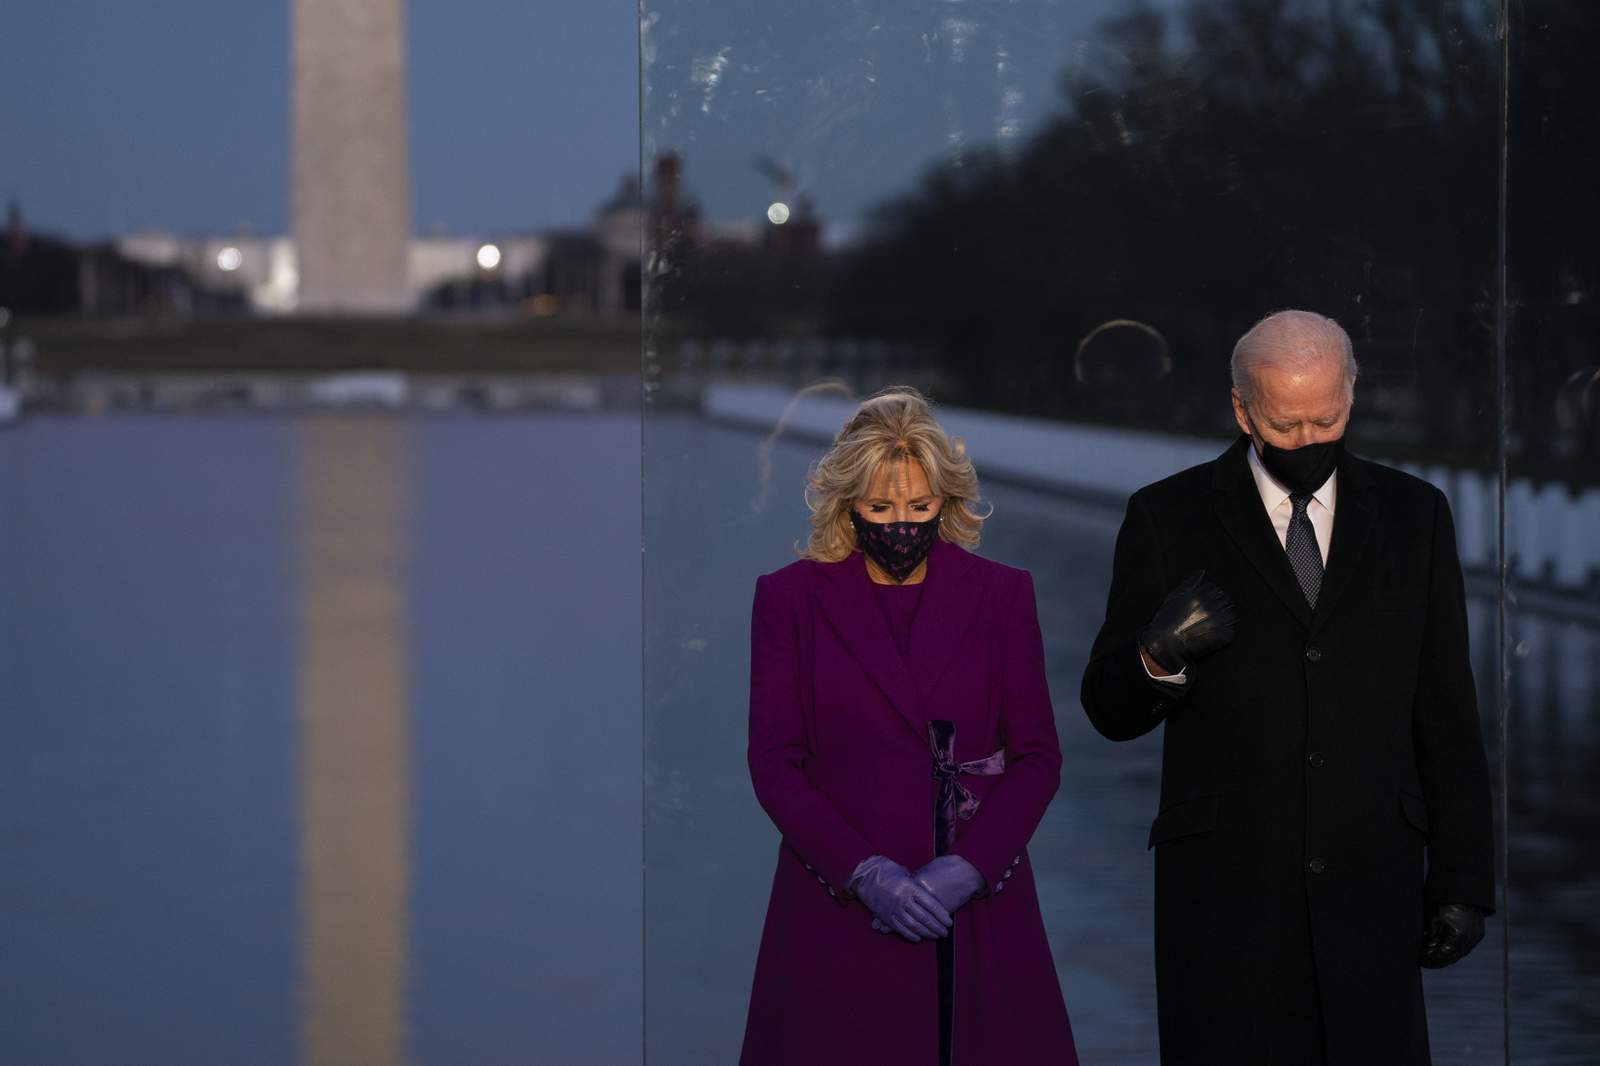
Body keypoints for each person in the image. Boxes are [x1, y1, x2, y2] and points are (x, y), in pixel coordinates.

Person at [1080, 310, 1496, 1065]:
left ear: (1352, 394)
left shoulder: (1415, 516)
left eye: (1326, 417)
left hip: (1375, 886)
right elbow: (1106, 709)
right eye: (1285, 422)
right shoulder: (1166, 517)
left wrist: (1465, 879)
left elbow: (1447, 710)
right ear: (1241, 409)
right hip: (1224, 896)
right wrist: (1158, 652)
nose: (1308, 439)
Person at [740, 387, 1078, 1066]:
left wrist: (967, 870)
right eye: (880, 508)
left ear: (946, 503)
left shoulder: (1003, 594)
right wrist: (864, 873)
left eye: (920, 507)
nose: (902, 525)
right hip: (837, 904)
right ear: (846, 504)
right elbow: (774, 763)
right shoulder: (789, 599)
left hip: (977, 907)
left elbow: (1038, 758)